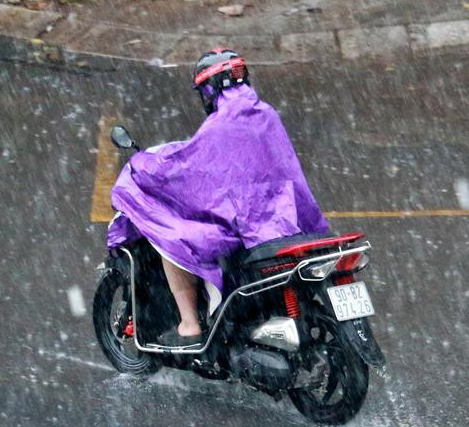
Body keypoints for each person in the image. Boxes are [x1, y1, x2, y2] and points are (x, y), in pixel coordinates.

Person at [107, 48, 332, 349]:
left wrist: (144, 166)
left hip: (243, 228)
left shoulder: (220, 125)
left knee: (170, 238)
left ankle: (190, 325)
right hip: (287, 224)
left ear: (209, 90)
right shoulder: (266, 115)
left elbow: (188, 170)